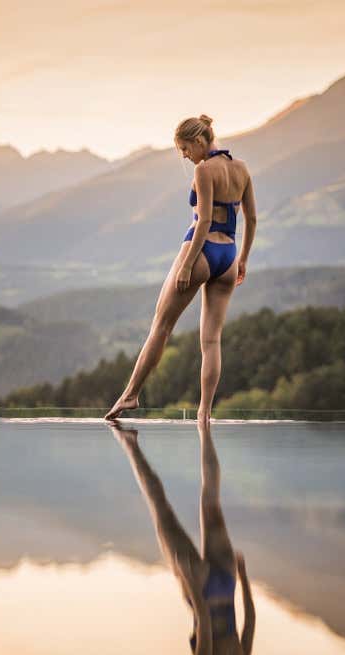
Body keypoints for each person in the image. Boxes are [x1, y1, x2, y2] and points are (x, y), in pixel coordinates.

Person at [105, 115, 257, 424]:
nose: (184, 156)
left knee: (161, 326)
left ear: (200, 141)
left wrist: (188, 265)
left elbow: (202, 221)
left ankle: (131, 394)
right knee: (212, 341)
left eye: (185, 149)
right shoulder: (242, 169)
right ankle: (204, 412)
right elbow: (252, 219)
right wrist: (243, 259)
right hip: (228, 254)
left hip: (199, 251)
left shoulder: (204, 170)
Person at [109, 420, 256, 655]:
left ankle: (205, 431)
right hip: (201, 590)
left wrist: (242, 575)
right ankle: (130, 445)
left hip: (226, 584)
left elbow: (250, 621)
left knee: (211, 499)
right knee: (160, 508)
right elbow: (202, 621)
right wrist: (188, 581)